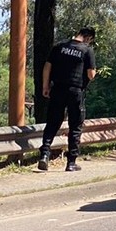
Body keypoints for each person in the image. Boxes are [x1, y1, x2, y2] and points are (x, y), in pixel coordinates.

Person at [37, 27, 97, 172]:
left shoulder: (60, 46)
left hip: (57, 89)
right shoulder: (86, 50)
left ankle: (44, 155)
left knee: (52, 123)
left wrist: (45, 86)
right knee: (75, 126)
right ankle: (71, 163)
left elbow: (47, 66)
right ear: (88, 37)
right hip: (75, 91)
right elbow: (91, 74)